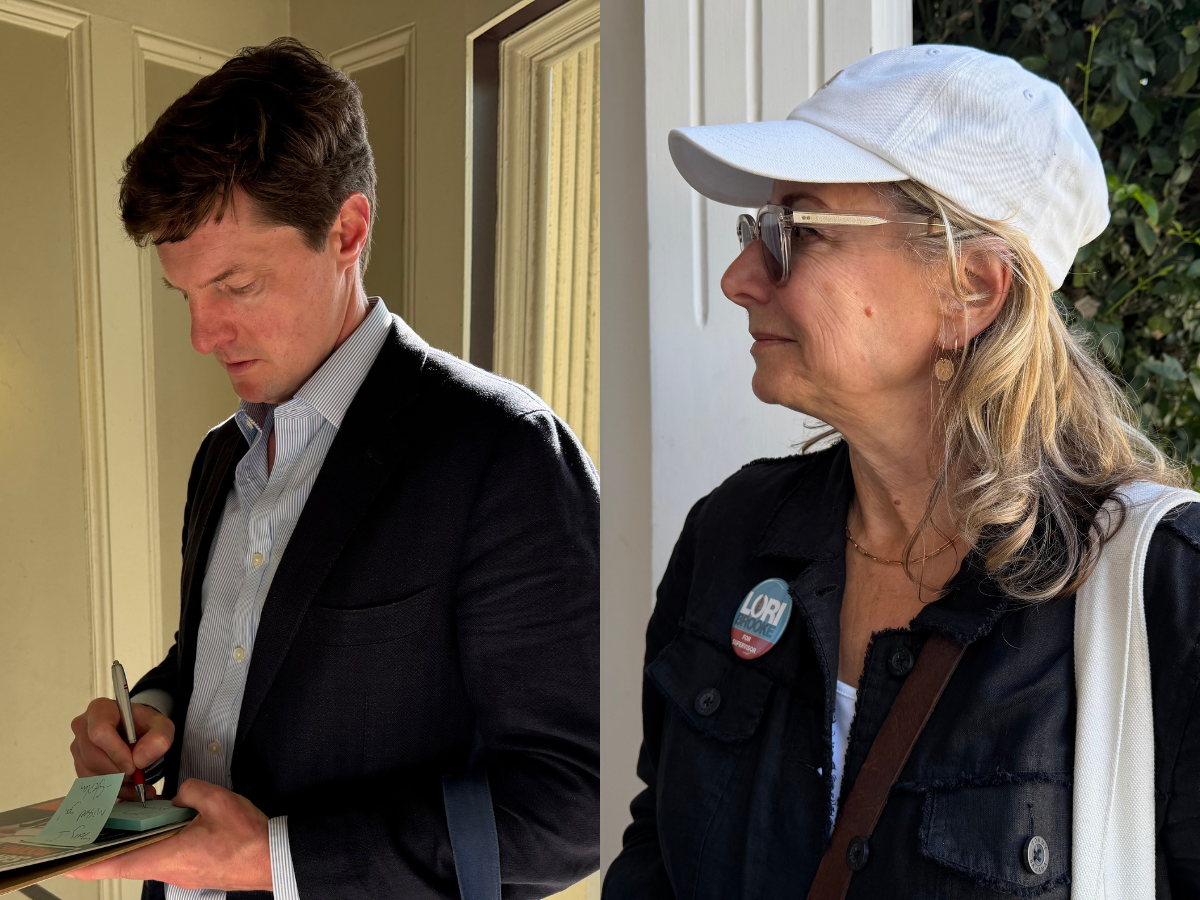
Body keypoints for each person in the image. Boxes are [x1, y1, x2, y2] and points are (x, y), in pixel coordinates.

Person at [604, 45, 1200, 898]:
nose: (740, 278)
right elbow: (658, 849)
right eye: (755, 230)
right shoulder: (734, 536)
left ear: (972, 288)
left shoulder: (1163, 597)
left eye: (796, 232)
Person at [64, 38, 599, 899]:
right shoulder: (220, 456)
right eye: (186, 296)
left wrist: (272, 858)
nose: (204, 336)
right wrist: (153, 712)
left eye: (236, 287)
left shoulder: (504, 455)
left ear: (347, 231)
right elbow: (228, 654)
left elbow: (578, 805)